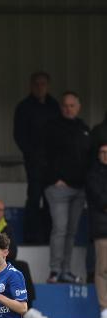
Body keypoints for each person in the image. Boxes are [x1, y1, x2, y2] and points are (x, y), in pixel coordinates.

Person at [43, 91, 90, 284]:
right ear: (60, 107)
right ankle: (55, 271)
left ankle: (66, 270)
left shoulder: (84, 128)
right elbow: (42, 156)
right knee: (60, 229)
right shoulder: (51, 127)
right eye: (65, 105)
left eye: (72, 105)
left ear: (78, 107)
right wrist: (54, 178)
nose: (68, 109)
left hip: (79, 189)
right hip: (59, 189)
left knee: (71, 232)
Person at [14, 72, 60, 244]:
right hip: (34, 162)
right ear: (31, 86)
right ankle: (31, 237)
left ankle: (48, 236)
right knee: (34, 197)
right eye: (37, 84)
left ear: (48, 86)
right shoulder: (24, 107)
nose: (40, 87)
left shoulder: (54, 106)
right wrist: (32, 154)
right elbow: (19, 135)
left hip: (52, 163)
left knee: (50, 199)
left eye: (43, 84)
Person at [85, 144, 107, 318]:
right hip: (102, 229)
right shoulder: (93, 174)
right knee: (103, 270)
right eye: (103, 152)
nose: (106, 155)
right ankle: (104, 308)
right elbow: (100, 199)